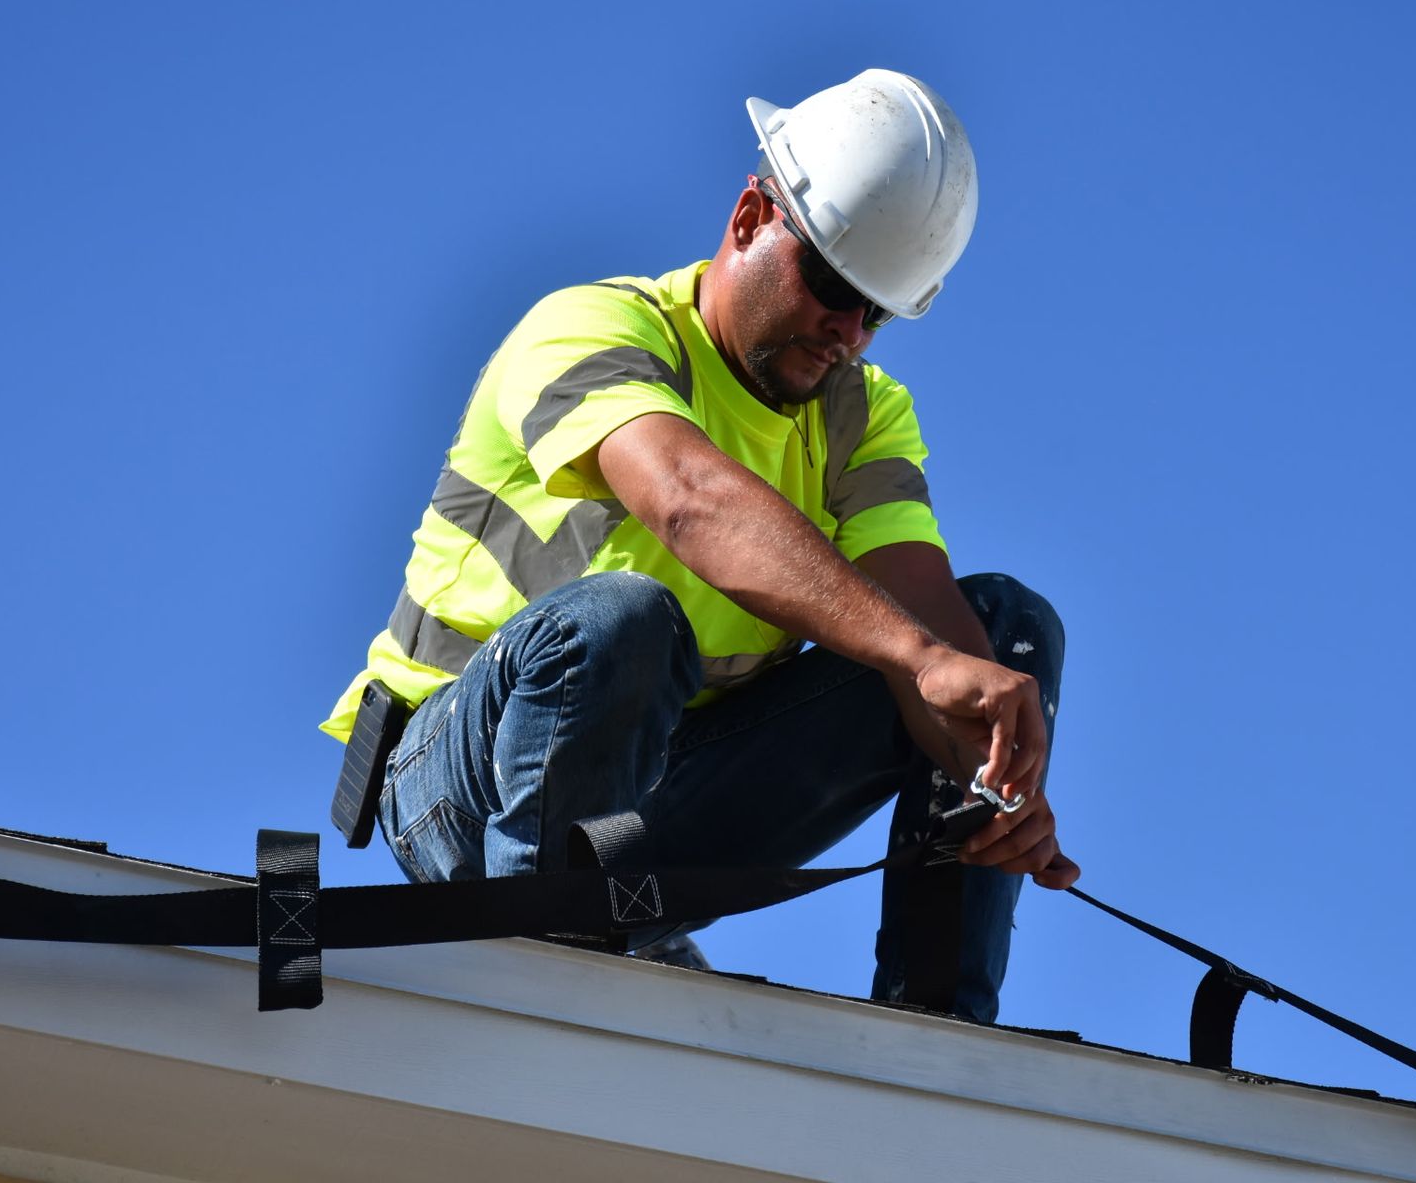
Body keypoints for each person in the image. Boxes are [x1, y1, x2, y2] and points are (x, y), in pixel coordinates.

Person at [322, 69, 1074, 1023]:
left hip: (652, 802)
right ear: (754, 214)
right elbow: (686, 501)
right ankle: (548, 959)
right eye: (833, 285)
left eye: (875, 313)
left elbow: (932, 630)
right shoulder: (595, 327)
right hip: (457, 788)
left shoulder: (860, 417)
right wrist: (920, 659)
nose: (846, 333)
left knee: (1002, 634)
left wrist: (991, 777)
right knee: (622, 621)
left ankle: (938, 1053)